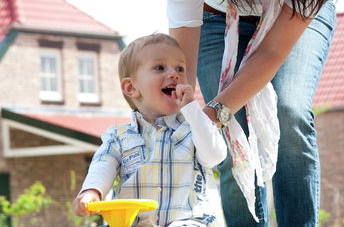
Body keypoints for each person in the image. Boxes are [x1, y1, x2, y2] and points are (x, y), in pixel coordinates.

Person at [165, 0, 344, 226]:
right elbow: (182, 65)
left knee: (289, 110)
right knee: (229, 131)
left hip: (294, 12)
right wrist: (180, 121)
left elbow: (273, 51)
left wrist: (217, 110)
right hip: (218, 19)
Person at [72, 33, 227, 226]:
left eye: (180, 68)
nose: (174, 74)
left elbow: (215, 155)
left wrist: (192, 108)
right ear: (131, 88)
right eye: (160, 67)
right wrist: (92, 191)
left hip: (189, 221)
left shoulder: (194, 128)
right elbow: (103, 165)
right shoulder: (119, 137)